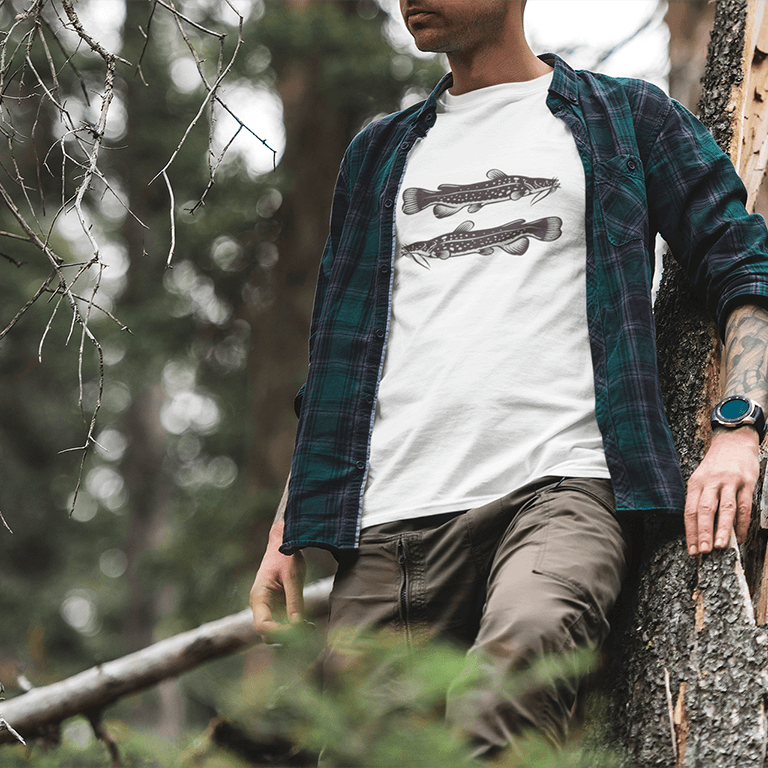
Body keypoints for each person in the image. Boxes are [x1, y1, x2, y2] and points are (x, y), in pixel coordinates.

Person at [250, 0, 768, 755]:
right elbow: (340, 363)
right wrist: (287, 527)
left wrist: (739, 425)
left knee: (505, 703)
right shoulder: (378, 155)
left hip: (562, 493)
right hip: (390, 524)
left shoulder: (627, 118)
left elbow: (745, 264)